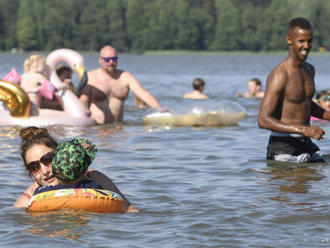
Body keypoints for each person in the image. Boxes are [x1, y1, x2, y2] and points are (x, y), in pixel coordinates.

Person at [14, 126, 137, 212]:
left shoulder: (94, 177)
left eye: (48, 159)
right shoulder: (28, 199)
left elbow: (129, 210)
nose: (45, 171)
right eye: (34, 167)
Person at [258, 17, 330, 163]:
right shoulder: (279, 75)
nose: (306, 46)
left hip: (306, 144)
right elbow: (263, 120)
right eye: (301, 41)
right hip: (283, 148)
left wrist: (328, 115)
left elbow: (305, 104)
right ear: (289, 40)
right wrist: (304, 129)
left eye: (309, 41)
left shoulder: (309, 70)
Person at [79, 45, 163, 124]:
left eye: (114, 59)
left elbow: (143, 94)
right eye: (107, 59)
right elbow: (83, 102)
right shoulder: (90, 77)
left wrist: (159, 109)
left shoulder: (125, 77)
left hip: (118, 131)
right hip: (96, 130)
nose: (111, 62)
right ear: (100, 60)